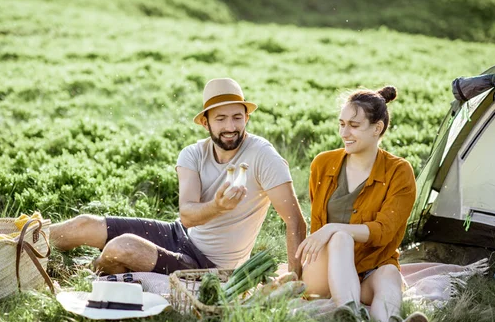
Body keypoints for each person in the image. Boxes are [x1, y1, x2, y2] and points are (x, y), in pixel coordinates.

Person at [51, 78, 306, 277]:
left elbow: (295, 221)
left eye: (237, 117)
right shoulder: (193, 154)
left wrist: (295, 280)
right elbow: (187, 216)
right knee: (82, 224)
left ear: (247, 118)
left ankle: (82, 272)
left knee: (122, 247)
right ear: (206, 123)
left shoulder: (263, 155)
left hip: (208, 265)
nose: (230, 127)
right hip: (180, 234)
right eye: (221, 119)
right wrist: (218, 206)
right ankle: (17, 244)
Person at [296, 86, 428, 322]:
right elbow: (319, 227)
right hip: (321, 271)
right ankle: (351, 316)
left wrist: (334, 227)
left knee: (390, 274)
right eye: (342, 124)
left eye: (354, 125)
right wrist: (333, 233)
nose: (344, 133)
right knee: (340, 239)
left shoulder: (399, 171)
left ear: (377, 128)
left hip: (369, 268)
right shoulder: (322, 164)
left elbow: (384, 231)